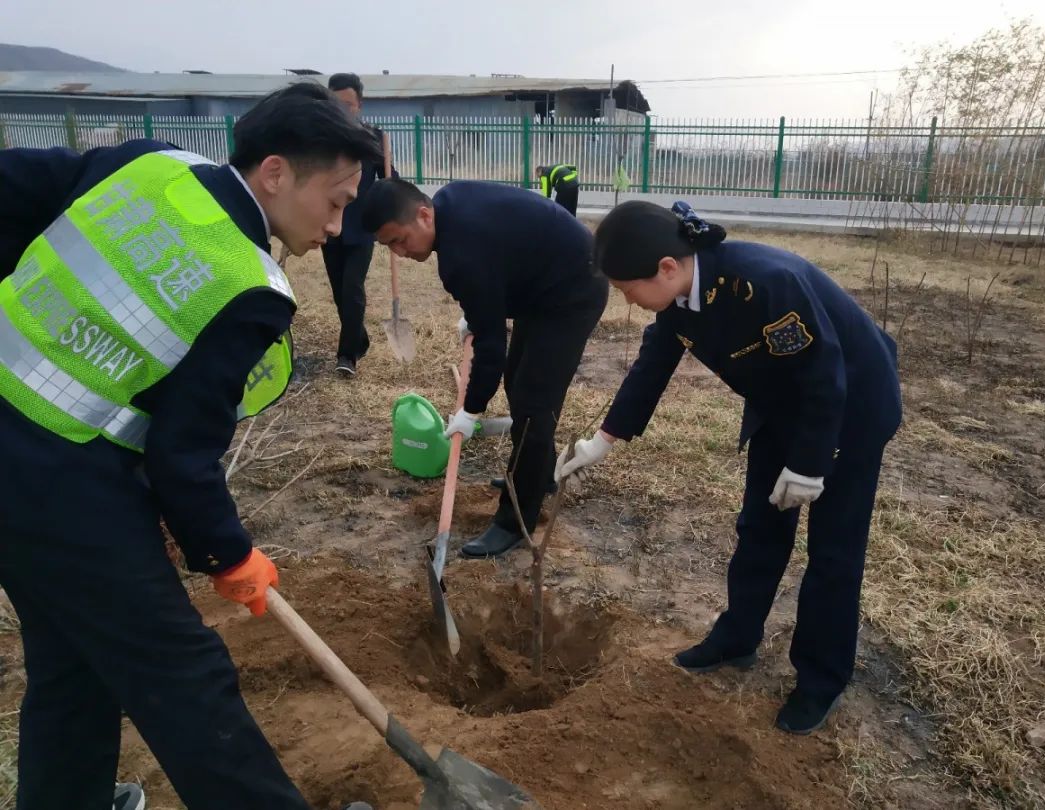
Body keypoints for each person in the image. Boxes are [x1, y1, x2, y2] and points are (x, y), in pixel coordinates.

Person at [0, 82, 381, 809]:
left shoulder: (148, 165)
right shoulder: (250, 285)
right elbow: (183, 454)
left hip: (28, 468)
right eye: (334, 201)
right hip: (58, 483)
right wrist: (229, 555)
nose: (337, 226)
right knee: (184, 674)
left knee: (70, 667)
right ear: (275, 173)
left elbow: (11, 185)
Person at [556, 201, 902, 735]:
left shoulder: (766, 282)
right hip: (782, 405)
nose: (626, 301)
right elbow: (653, 365)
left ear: (667, 267)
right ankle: (737, 638)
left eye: (628, 290)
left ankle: (820, 680)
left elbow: (824, 373)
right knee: (760, 526)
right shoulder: (677, 300)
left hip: (851, 407)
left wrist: (811, 464)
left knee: (833, 550)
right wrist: (602, 441)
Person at [361, 178, 607, 557]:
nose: (399, 252)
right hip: (543, 283)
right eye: (388, 246)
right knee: (518, 384)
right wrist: (478, 312)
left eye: (399, 239)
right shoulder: (449, 206)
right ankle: (539, 476)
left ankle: (514, 520)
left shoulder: (461, 255)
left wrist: (470, 410)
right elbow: (498, 265)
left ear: (424, 214)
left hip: (573, 290)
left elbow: (492, 346)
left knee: (533, 405)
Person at [323, 72, 398, 376]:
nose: (342, 111)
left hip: (361, 228)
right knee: (340, 292)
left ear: (359, 105)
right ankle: (360, 339)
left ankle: (347, 355)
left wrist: (389, 207)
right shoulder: (321, 139)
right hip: (329, 225)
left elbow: (388, 178)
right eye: (335, 104)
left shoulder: (371, 139)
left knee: (353, 288)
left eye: (347, 105)